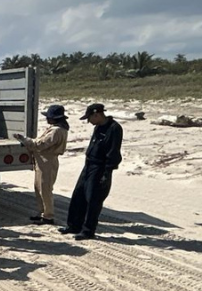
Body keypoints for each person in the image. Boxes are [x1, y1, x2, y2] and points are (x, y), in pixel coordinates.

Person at [60, 103, 123, 240]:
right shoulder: (98, 127)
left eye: (89, 118)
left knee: (93, 199)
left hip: (100, 168)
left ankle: (88, 231)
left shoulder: (114, 128)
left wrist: (107, 172)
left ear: (97, 114)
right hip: (88, 165)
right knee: (78, 195)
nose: (89, 122)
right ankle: (74, 225)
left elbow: (113, 152)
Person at [15, 104, 70, 225]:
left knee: (45, 189)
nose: (47, 119)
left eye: (49, 117)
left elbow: (40, 144)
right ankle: (42, 212)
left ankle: (48, 216)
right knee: (39, 187)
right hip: (43, 160)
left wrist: (25, 140)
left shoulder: (56, 131)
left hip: (47, 161)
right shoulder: (55, 129)